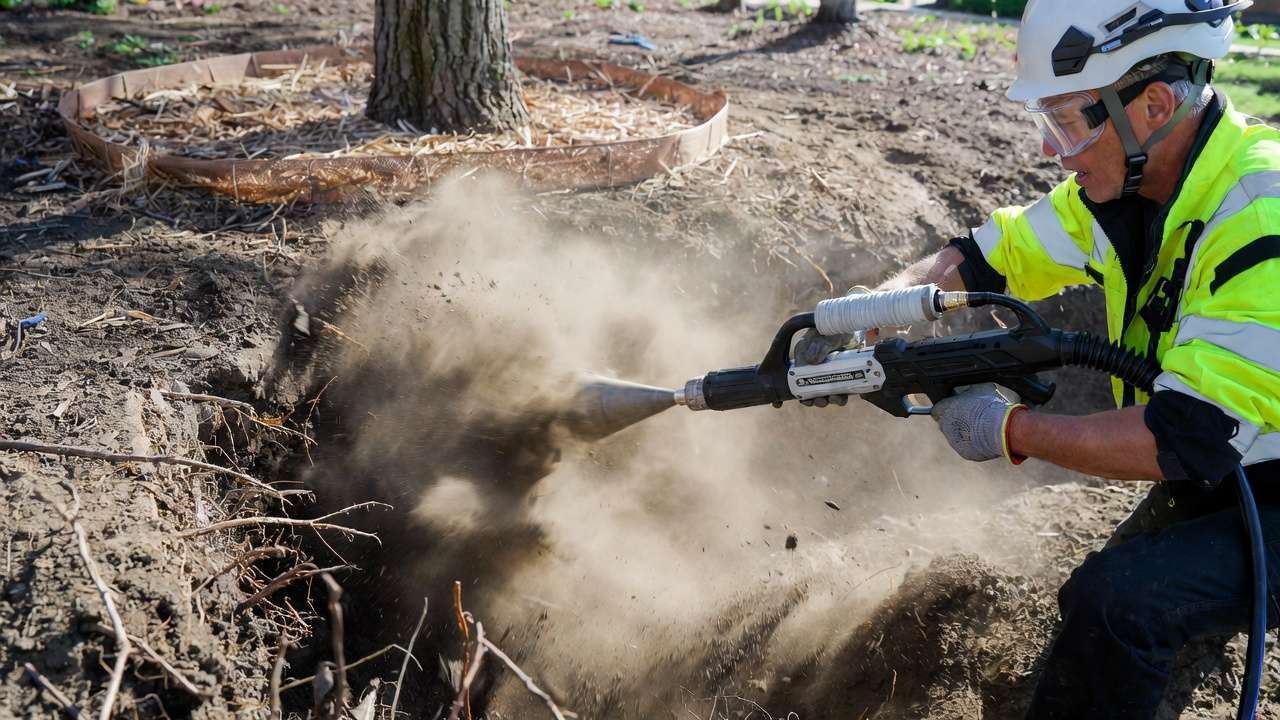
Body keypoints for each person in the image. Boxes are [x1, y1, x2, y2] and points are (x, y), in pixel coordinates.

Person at [796, 0, 1280, 716]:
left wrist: (1007, 430)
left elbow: (1186, 434)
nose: (1052, 150)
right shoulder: (1134, 189)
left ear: (1151, 105)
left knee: (1118, 605)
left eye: (1066, 122)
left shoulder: (1258, 215)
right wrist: (878, 309)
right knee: (1097, 607)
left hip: (1247, 469)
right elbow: (990, 254)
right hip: (1237, 463)